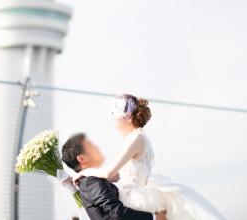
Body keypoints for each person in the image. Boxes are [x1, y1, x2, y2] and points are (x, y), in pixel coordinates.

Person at [71, 94, 226, 220]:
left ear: (128, 117)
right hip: (136, 194)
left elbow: (108, 173)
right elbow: (118, 176)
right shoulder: (136, 138)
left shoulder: (136, 139)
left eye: (115, 120)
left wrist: (84, 172)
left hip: (138, 200)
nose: (114, 126)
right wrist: (70, 184)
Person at [62, 133, 167, 220]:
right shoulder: (91, 182)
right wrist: (155, 217)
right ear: (82, 158)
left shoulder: (90, 179)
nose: (97, 147)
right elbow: (118, 212)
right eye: (90, 146)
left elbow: (115, 175)